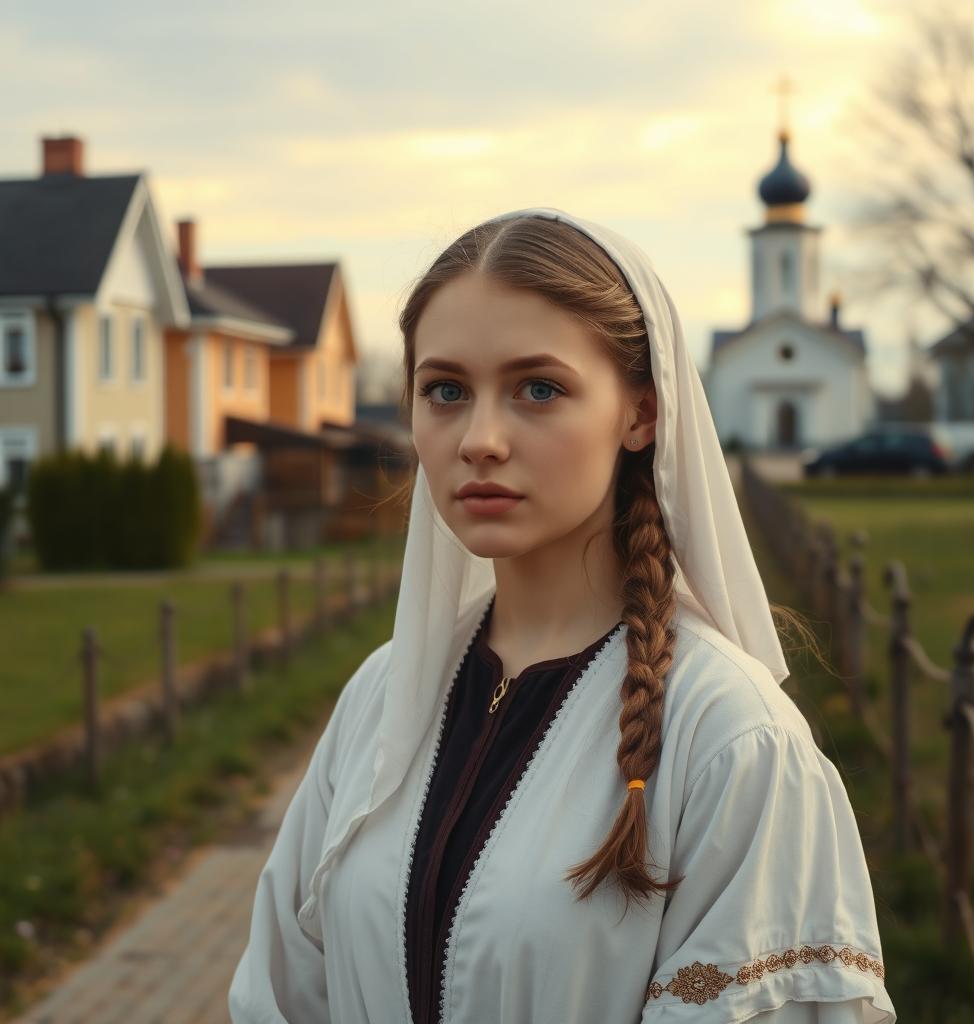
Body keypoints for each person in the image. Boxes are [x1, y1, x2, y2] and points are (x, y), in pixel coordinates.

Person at [228, 207, 897, 1023]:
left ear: (642, 414)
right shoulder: (382, 695)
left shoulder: (730, 739)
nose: (479, 438)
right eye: (445, 390)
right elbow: (284, 991)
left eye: (537, 389)